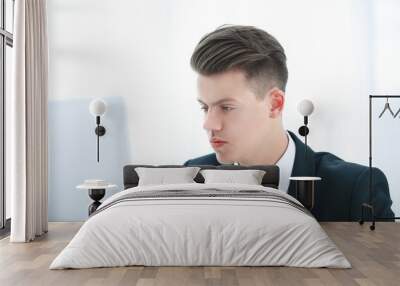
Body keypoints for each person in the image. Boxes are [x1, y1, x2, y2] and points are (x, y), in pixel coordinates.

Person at [183, 25, 394, 221]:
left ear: (275, 104)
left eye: (227, 108)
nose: (209, 124)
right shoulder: (192, 176)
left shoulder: (356, 189)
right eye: (205, 107)